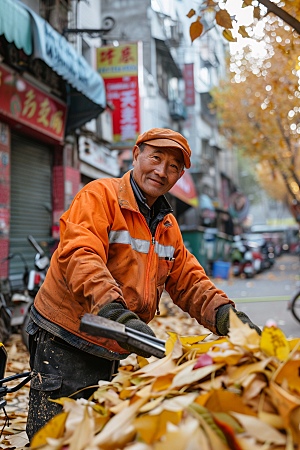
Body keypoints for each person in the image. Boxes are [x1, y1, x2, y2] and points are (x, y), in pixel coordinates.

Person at [26, 128, 260, 440]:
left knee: (96, 437)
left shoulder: (166, 225)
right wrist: (114, 313)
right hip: (65, 336)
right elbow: (80, 256)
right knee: (55, 439)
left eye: (174, 167)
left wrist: (230, 320)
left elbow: (191, 282)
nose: (162, 171)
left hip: (114, 344)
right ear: (137, 155)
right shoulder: (99, 196)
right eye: (156, 158)